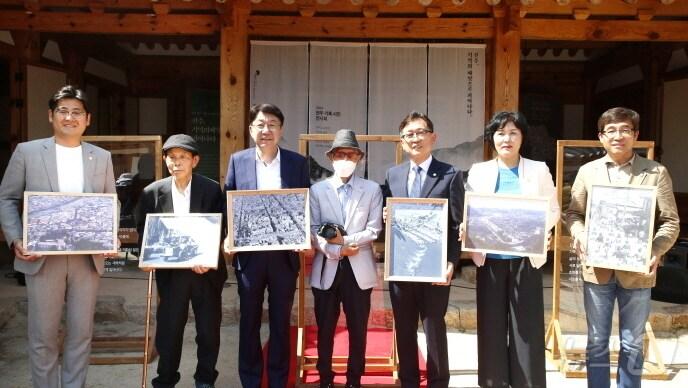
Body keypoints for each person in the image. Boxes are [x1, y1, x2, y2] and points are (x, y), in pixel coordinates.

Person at [0, 85, 116, 388]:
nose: (69, 117)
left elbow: (109, 202)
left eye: (77, 111)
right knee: (43, 336)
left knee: (81, 333)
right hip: (42, 257)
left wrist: (110, 235)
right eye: (62, 110)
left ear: (87, 119)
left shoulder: (101, 157)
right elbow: (8, 198)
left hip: (86, 259)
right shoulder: (27, 151)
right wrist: (15, 238)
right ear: (51, 115)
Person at [566, 107, 679, 388]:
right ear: (601, 137)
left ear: (636, 135)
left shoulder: (655, 172)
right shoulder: (587, 171)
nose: (618, 136)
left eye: (625, 130)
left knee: (631, 342)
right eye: (611, 130)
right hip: (598, 268)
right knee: (596, 341)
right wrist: (579, 234)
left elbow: (670, 221)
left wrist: (656, 250)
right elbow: (573, 213)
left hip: (637, 270)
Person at [462, 111, 560, 388]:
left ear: (522, 137)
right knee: (491, 325)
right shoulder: (479, 171)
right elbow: (471, 213)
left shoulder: (538, 170)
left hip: (525, 259)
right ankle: (494, 382)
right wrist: (466, 228)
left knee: (526, 327)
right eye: (500, 133)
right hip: (490, 260)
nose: (507, 138)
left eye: (513, 133)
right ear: (492, 138)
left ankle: (527, 382)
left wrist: (539, 230)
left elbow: (552, 210)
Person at [223, 103, 310, 388]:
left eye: (272, 124)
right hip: (250, 256)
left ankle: (277, 379)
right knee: (248, 320)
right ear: (250, 130)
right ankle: (249, 379)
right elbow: (230, 203)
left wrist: (303, 234)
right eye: (260, 124)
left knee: (280, 321)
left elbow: (303, 205)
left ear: (281, 130)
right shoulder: (238, 160)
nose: (266, 130)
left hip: (284, 256)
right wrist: (229, 236)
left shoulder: (297, 163)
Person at [136, 134, 226, 388]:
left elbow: (219, 227)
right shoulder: (152, 192)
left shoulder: (210, 189)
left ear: (195, 161)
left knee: (208, 332)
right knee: (169, 331)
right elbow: (144, 230)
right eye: (172, 157)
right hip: (171, 274)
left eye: (183, 157)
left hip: (205, 273)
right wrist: (147, 255)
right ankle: (165, 379)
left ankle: (205, 378)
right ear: (165, 160)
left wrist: (207, 256)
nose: (177, 162)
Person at [383, 111, 463, 388]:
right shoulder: (393, 175)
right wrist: (386, 217)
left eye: (420, 132)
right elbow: (389, 222)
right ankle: (408, 382)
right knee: (404, 330)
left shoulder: (450, 175)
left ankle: (439, 382)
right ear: (402, 141)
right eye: (409, 134)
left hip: (434, 267)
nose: (415, 138)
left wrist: (453, 261)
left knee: (434, 328)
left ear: (433, 137)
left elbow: (456, 224)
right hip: (402, 267)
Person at [309, 129, 383, 388]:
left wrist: (346, 242)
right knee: (325, 329)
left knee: (358, 329)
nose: (345, 158)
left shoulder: (372, 189)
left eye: (351, 154)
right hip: (326, 268)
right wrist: (337, 250)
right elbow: (313, 230)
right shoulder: (317, 190)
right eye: (340, 154)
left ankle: (354, 379)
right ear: (331, 158)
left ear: (359, 158)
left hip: (359, 269)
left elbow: (374, 229)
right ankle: (325, 378)